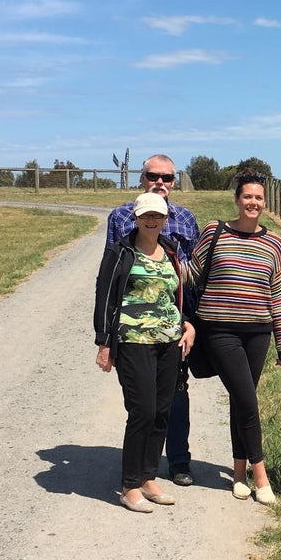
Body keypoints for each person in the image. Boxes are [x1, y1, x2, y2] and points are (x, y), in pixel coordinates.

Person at [186, 170, 281, 505]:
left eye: (259, 198)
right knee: (247, 399)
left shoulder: (274, 243)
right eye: (247, 196)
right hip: (220, 330)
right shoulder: (215, 232)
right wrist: (161, 256)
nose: (253, 203)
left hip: (258, 333)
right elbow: (191, 274)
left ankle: (238, 473)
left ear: (265, 202)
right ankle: (261, 476)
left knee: (240, 399)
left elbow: (280, 294)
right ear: (237, 199)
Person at [94, 192, 196, 513]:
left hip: (168, 342)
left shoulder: (170, 251)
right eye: (145, 216)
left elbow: (178, 293)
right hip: (133, 341)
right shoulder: (120, 251)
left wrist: (187, 324)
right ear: (135, 218)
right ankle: (129, 485)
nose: (152, 221)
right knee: (143, 412)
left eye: (158, 216)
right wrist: (104, 342)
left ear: (166, 219)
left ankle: (149, 477)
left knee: (163, 410)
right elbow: (105, 295)